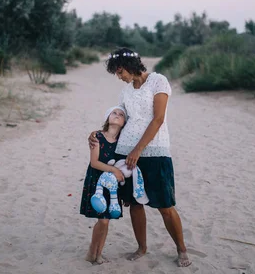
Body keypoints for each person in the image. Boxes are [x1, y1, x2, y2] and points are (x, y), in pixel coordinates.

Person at [88, 48, 192, 267]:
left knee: (165, 204)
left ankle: (182, 249)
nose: (119, 76)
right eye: (116, 73)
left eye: (120, 71)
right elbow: (117, 119)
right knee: (135, 204)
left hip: (154, 151)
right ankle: (142, 247)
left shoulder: (158, 81)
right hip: (125, 152)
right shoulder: (125, 91)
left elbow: (158, 119)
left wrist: (138, 149)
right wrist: (98, 134)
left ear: (131, 65)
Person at [80, 106, 127, 264]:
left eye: (121, 115)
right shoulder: (97, 137)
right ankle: (91, 252)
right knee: (103, 220)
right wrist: (113, 170)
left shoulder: (123, 142)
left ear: (124, 122)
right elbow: (94, 163)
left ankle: (98, 254)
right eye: (114, 113)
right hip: (97, 181)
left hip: (112, 186)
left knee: (106, 219)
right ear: (107, 117)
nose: (117, 115)